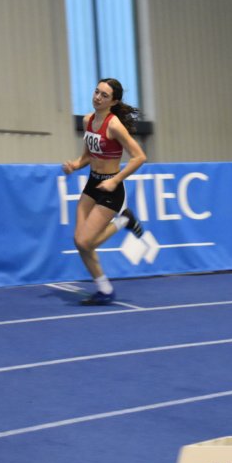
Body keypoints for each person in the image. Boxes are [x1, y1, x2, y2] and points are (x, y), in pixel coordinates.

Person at [62, 78, 147, 305]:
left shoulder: (114, 125)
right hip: (92, 184)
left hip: (111, 189)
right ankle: (104, 289)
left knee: (86, 242)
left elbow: (140, 157)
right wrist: (74, 165)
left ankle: (123, 220)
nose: (98, 97)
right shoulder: (87, 120)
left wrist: (115, 180)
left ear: (114, 101)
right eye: (96, 92)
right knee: (79, 242)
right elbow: (87, 156)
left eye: (104, 95)